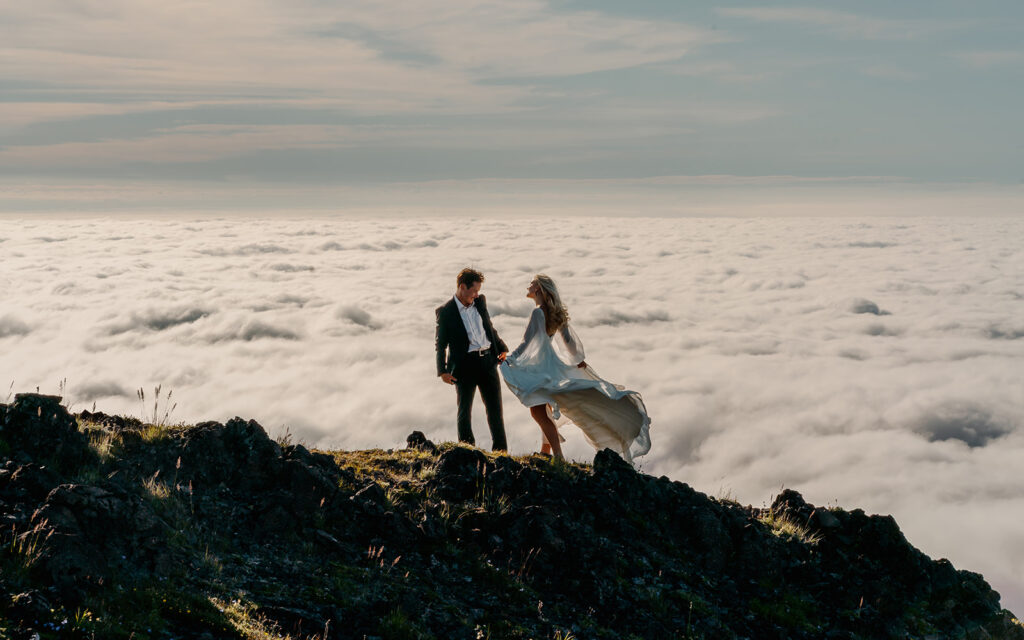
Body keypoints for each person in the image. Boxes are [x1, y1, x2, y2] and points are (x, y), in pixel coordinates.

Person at [500, 275, 651, 462]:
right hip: (552, 366)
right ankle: (546, 451)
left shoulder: (538, 312)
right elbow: (570, 345)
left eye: (532, 283)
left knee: (538, 412)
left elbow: (527, 342)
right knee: (544, 410)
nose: (528, 286)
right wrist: (577, 360)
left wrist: (510, 358)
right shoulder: (555, 313)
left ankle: (557, 455)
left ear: (539, 288)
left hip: (540, 367)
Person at [435, 268, 509, 451]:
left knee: (495, 411)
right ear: (462, 287)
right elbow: (440, 344)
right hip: (464, 366)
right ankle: (467, 451)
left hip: (488, 362)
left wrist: (502, 348)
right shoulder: (445, 311)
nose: (477, 294)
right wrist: (442, 371)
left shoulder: (480, 302)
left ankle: (500, 453)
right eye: (474, 290)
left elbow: (489, 328)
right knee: (464, 411)